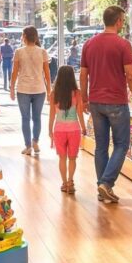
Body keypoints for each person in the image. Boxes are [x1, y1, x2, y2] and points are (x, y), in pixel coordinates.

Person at [80, 5, 132, 204]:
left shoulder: (89, 44)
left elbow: (83, 75)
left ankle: (102, 188)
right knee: (121, 144)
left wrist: (84, 98)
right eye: (123, 20)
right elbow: (130, 75)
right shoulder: (123, 45)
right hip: (116, 101)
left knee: (101, 146)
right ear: (118, 21)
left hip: (96, 102)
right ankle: (106, 183)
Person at [9, 25, 51, 156]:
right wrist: (49, 90)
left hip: (23, 89)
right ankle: (35, 141)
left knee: (25, 118)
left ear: (25, 36)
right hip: (39, 89)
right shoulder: (42, 52)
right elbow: (47, 73)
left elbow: (14, 72)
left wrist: (11, 88)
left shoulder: (19, 52)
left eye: (22, 35)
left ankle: (28, 146)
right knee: (37, 117)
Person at [49, 65, 87, 194]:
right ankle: (70, 182)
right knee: (72, 158)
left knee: (62, 158)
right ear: (72, 77)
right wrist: (84, 128)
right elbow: (80, 113)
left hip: (58, 130)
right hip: (74, 130)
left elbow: (52, 114)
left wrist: (49, 130)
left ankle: (64, 183)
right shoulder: (77, 93)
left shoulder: (54, 94)